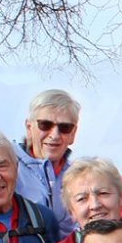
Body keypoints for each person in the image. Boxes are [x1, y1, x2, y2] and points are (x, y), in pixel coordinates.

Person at [15, 89, 81, 232]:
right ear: (29, 128)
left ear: (73, 134)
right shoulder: (7, 171)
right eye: (45, 125)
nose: (55, 135)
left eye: (64, 127)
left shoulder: (81, 178)